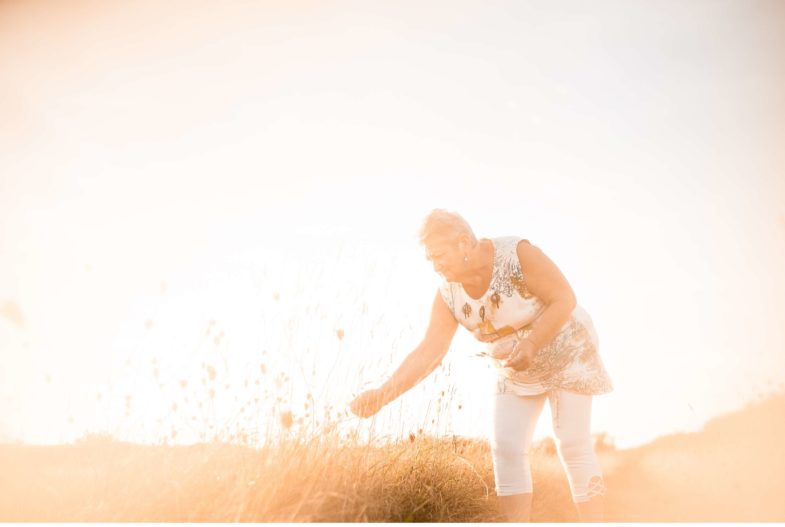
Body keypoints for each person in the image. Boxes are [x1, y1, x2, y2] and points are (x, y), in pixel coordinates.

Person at [349, 209, 613, 522]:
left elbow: (564, 298)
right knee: (506, 448)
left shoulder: (516, 254)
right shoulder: (448, 295)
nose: (435, 266)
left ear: (463, 243)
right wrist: (383, 394)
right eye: (429, 260)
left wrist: (531, 344)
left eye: (439, 256)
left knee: (572, 442)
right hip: (515, 367)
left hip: (567, 349)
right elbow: (431, 350)